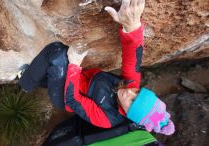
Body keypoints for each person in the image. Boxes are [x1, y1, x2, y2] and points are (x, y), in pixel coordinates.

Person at [18, 0, 174, 135]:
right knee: (52, 73)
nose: (129, 92)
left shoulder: (107, 119)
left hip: (65, 97)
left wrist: (73, 65)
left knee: (57, 53)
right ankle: (42, 79)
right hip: (79, 79)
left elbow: (73, 100)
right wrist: (132, 27)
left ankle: (25, 83)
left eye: (132, 102)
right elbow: (133, 57)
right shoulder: (130, 86)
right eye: (138, 92)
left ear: (129, 114)